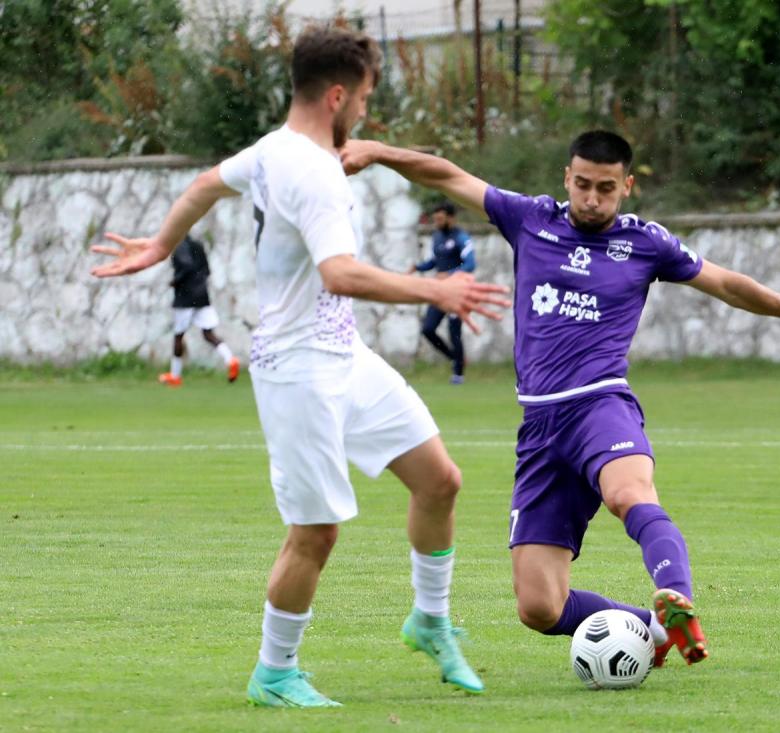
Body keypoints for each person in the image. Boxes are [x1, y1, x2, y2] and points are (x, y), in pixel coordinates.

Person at [340, 130, 780, 668]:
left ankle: (677, 597)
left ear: (627, 186)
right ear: (566, 178)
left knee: (628, 493)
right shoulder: (530, 219)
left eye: (605, 188)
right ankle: (654, 629)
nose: (592, 198)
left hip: (600, 406)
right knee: (539, 607)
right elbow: (446, 175)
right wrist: (380, 152)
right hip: (539, 426)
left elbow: (730, 285)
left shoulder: (646, 243)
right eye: (582, 185)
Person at [90, 24, 509, 708]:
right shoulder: (313, 173)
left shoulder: (271, 150)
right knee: (315, 531)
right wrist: (434, 289)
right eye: (364, 100)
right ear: (338, 95)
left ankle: (430, 621)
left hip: (344, 354)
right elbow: (340, 273)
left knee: (439, 480)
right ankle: (274, 672)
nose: (364, 113)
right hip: (297, 368)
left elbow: (203, 185)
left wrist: (162, 244)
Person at [159, 234, 240, 386]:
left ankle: (175, 376)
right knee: (208, 334)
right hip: (202, 295)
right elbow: (207, 270)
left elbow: (187, 267)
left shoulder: (179, 246)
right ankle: (231, 360)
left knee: (178, 336)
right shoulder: (198, 244)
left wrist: (175, 281)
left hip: (185, 298)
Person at [408, 202, 475, 384]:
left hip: (456, 291)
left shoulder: (461, 237)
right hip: (439, 291)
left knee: (454, 332)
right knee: (428, 329)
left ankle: (458, 375)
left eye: (440, 219)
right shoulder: (437, 236)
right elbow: (435, 261)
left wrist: (450, 274)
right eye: (435, 219)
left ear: (451, 218)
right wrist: (418, 267)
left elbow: (470, 264)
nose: (436, 222)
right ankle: (455, 357)